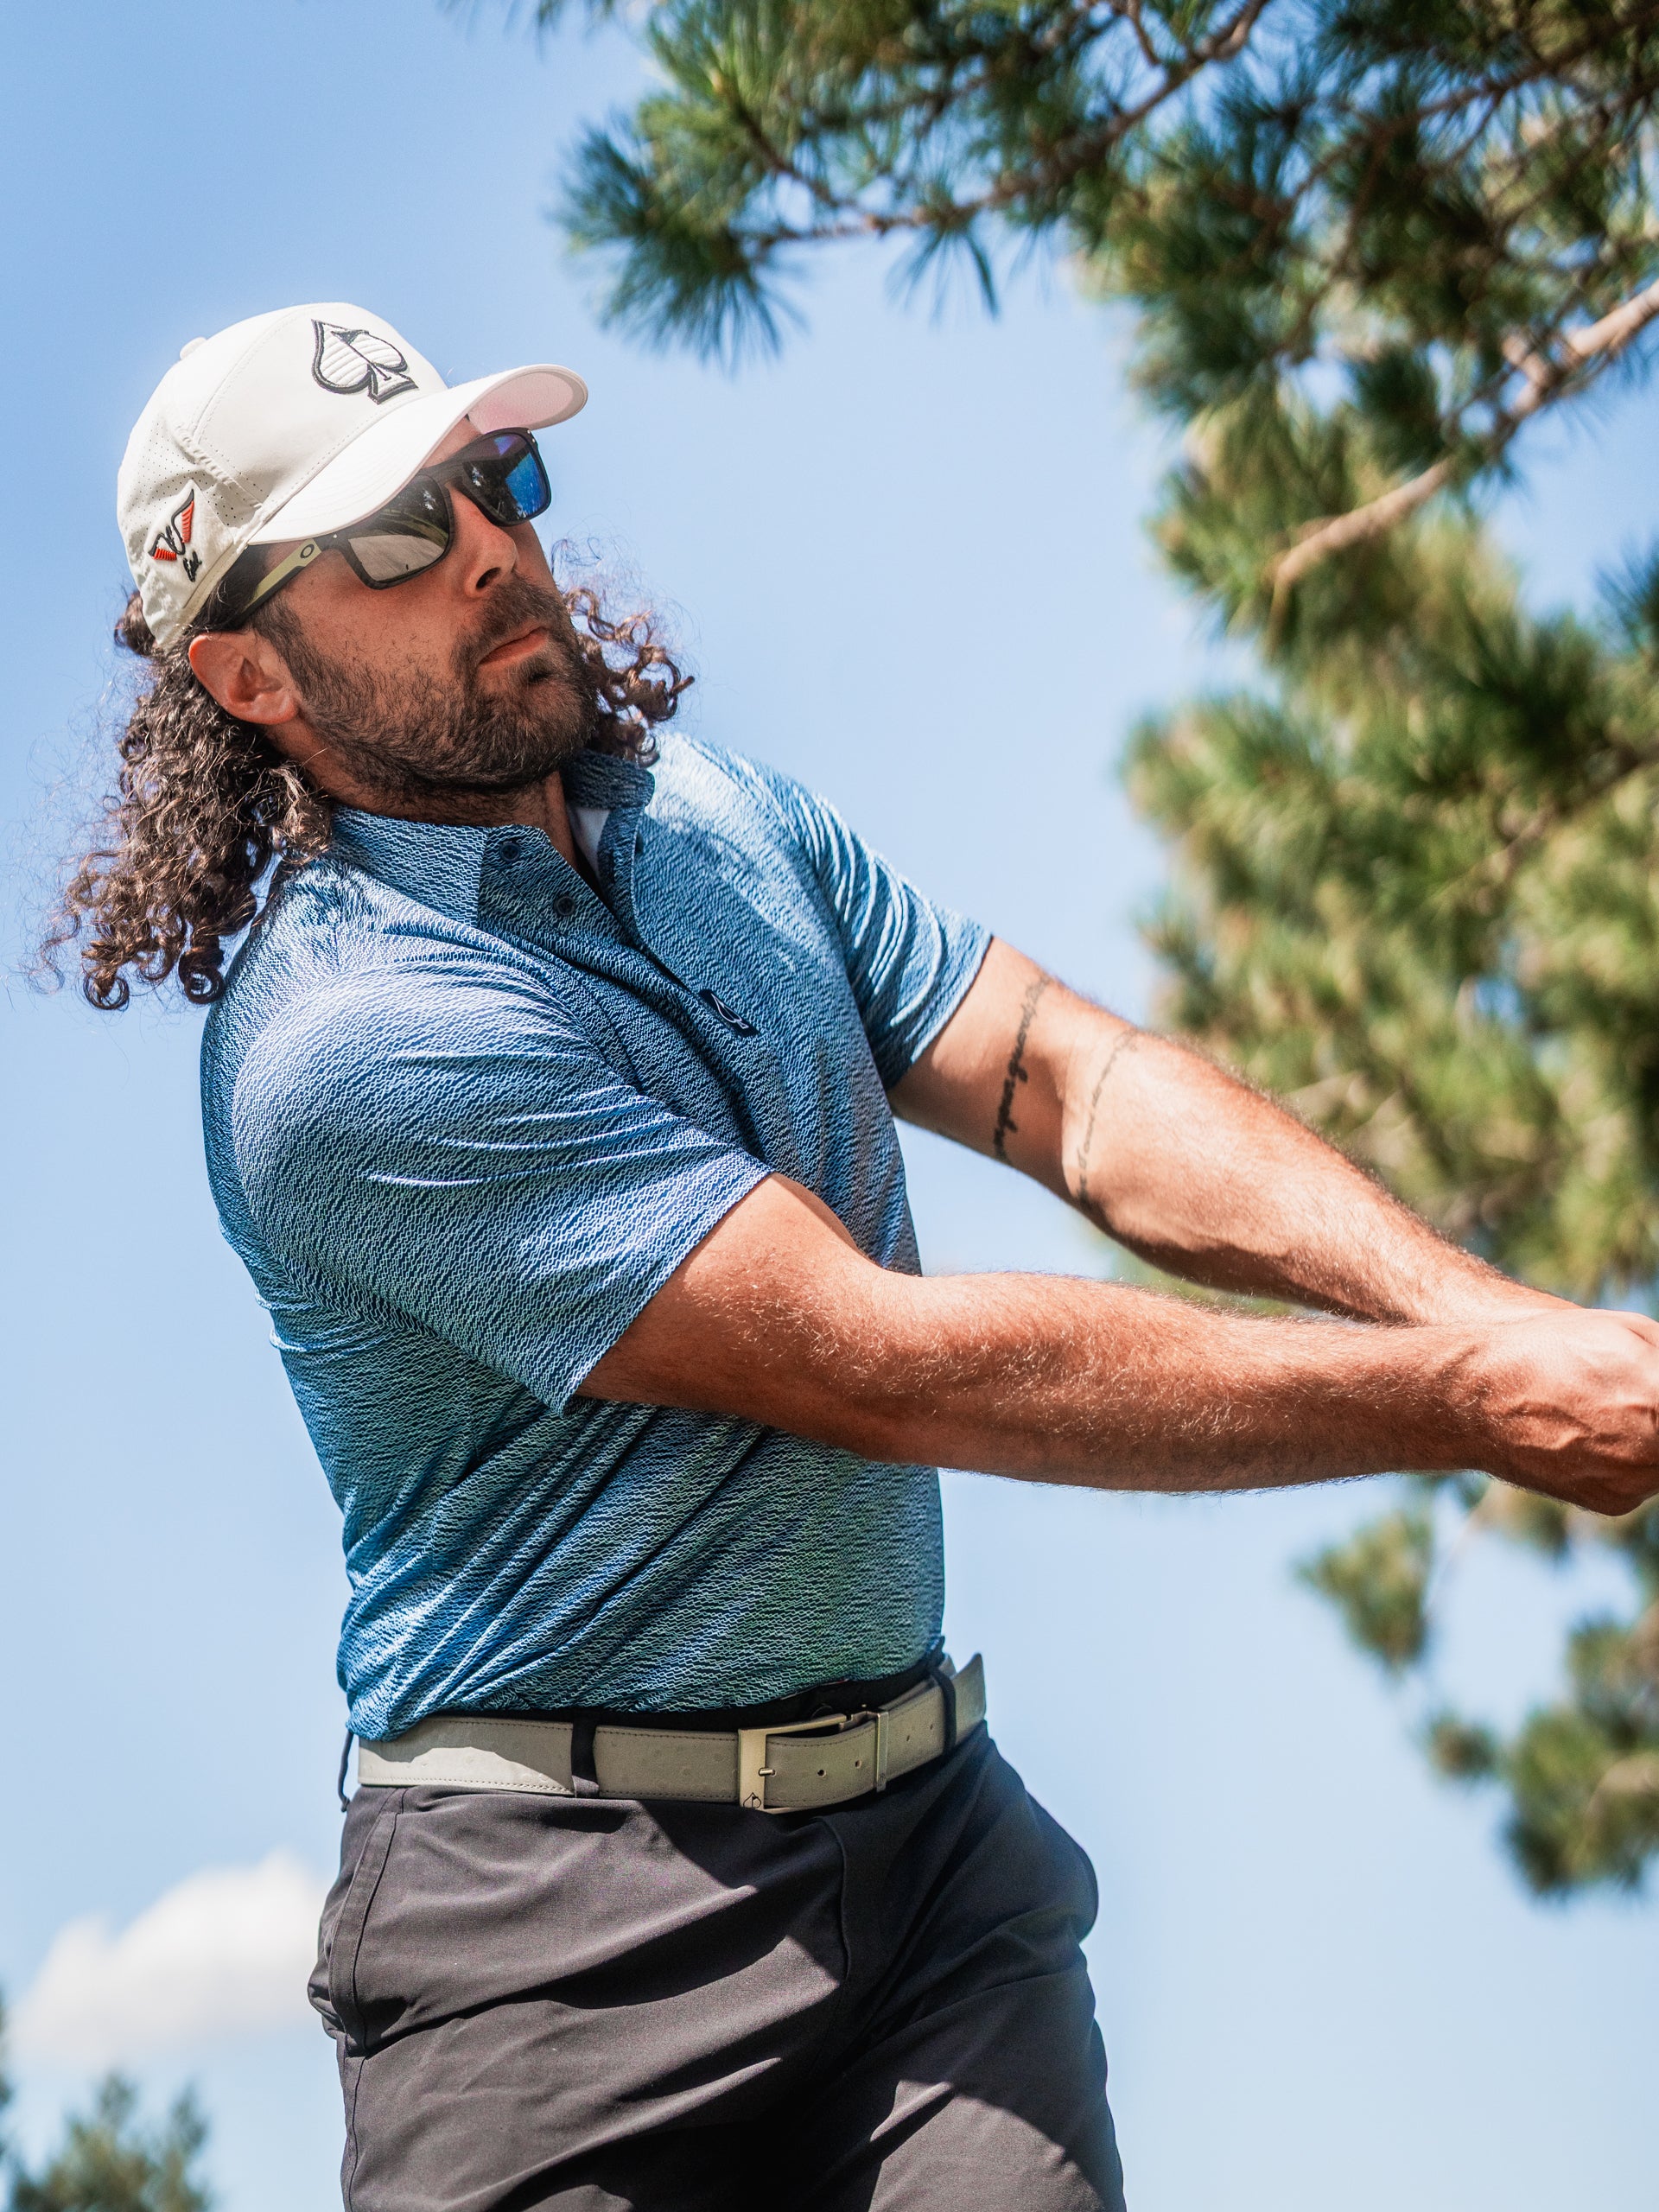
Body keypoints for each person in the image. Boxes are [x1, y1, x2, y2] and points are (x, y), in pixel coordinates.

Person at [55, 301, 1659, 2212]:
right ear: (247, 671)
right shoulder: (344, 1043)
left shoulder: (715, 818)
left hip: (932, 1876)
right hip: (553, 1954)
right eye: (393, 533)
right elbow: (874, 1359)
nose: (486, 544)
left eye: (491, 479)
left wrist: (1508, 1318)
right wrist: (1471, 1396)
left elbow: (1067, 1081)